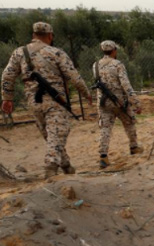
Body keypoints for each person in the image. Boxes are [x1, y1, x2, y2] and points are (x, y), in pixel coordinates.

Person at [1, 22, 92, 178]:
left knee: (52, 135)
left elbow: (7, 76)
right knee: (58, 133)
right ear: (50, 36)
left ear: (33, 35)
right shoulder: (56, 53)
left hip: (34, 102)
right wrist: (86, 94)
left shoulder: (19, 53)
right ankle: (51, 167)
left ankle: (66, 166)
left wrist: (7, 98)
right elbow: (74, 77)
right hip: (56, 101)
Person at [93, 40, 143, 169]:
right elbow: (125, 85)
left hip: (103, 102)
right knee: (130, 122)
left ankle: (103, 157)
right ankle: (134, 147)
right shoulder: (118, 64)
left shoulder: (96, 65)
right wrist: (136, 102)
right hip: (120, 102)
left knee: (105, 129)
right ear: (114, 50)